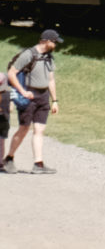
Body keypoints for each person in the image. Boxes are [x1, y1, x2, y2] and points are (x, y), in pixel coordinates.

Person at [4, 28, 62, 174]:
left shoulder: (49, 57)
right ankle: (9, 159)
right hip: (29, 95)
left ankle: (38, 164)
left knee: (39, 130)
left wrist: (54, 100)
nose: (56, 45)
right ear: (47, 41)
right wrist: (22, 92)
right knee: (23, 129)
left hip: (43, 97)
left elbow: (51, 79)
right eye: (55, 42)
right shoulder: (28, 54)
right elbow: (11, 74)